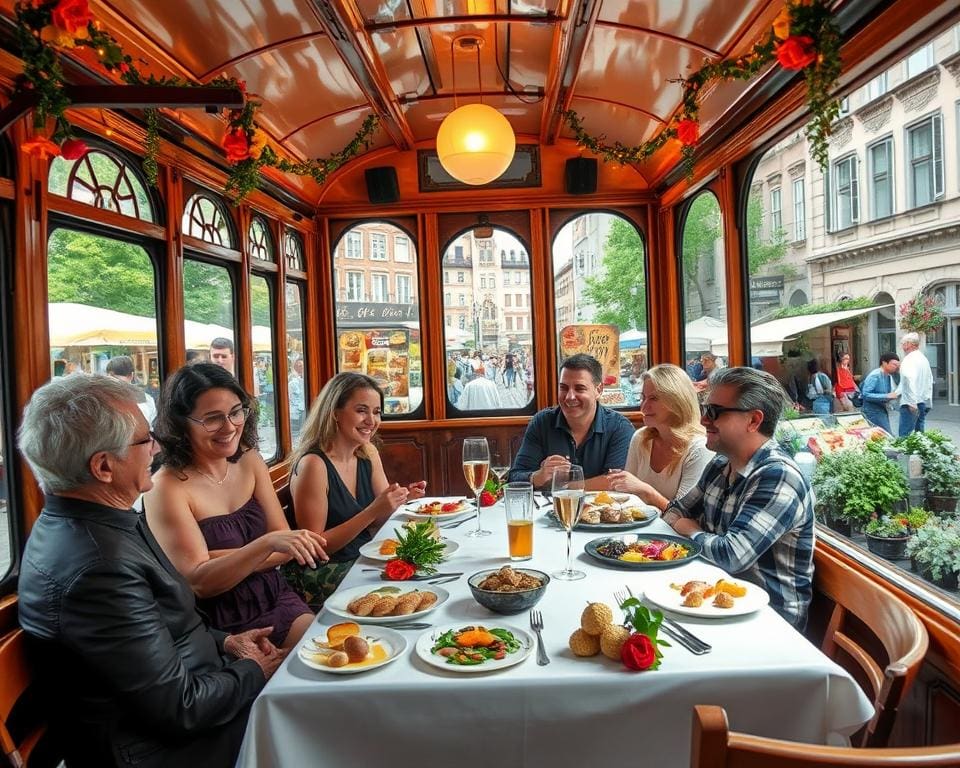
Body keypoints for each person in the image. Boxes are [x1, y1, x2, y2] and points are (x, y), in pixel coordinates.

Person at [16, 374, 283, 768]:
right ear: (104, 466)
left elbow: (163, 630)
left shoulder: (98, 522)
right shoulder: (98, 568)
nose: (156, 447)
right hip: (162, 751)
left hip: (200, 694)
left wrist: (228, 643)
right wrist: (253, 669)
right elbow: (181, 710)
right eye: (144, 440)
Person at [144, 363, 327, 651]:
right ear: (181, 423)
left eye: (235, 412)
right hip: (219, 623)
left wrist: (216, 558)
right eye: (212, 418)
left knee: (333, 660)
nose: (229, 427)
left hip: (275, 595)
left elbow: (285, 550)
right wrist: (266, 544)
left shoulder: (249, 460)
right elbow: (200, 583)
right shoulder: (166, 487)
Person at [663, 367, 815, 628]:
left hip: (768, 622)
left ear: (754, 421)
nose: (703, 420)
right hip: (714, 602)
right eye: (704, 409)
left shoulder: (778, 476)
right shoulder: (720, 464)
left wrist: (689, 529)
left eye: (714, 412)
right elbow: (673, 512)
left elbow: (731, 556)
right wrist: (685, 524)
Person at [284, 372, 426, 607]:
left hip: (361, 560)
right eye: (361, 410)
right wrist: (373, 510)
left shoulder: (367, 451)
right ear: (335, 414)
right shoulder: (314, 465)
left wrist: (401, 499)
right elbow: (315, 547)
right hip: (322, 573)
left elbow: (381, 518)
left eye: (377, 412)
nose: (371, 421)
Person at [511, 353, 634, 491]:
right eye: (563, 388)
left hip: (602, 511)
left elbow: (616, 481)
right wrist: (538, 477)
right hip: (548, 511)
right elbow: (515, 477)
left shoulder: (619, 427)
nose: (569, 396)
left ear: (598, 390)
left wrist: (562, 487)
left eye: (579, 388)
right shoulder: (542, 422)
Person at [606, 364, 714, 512]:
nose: (643, 407)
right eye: (642, 398)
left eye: (653, 398)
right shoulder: (641, 437)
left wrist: (647, 492)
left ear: (677, 401)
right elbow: (626, 497)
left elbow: (685, 515)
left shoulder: (700, 449)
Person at [897, 332, 933, 436]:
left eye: (903, 344)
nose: (902, 347)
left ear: (909, 344)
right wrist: (928, 401)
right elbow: (929, 380)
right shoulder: (923, 359)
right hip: (922, 400)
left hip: (911, 403)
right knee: (919, 436)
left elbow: (909, 380)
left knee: (905, 435)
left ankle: (904, 453)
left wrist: (911, 402)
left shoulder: (909, 359)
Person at [106, 354, 157, 424]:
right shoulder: (147, 399)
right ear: (131, 375)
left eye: (116, 379)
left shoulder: (103, 398)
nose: (115, 383)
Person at [860, 353, 900, 433]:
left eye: (897, 365)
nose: (896, 367)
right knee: (886, 435)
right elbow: (865, 394)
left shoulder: (888, 375)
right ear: (884, 363)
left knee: (881, 436)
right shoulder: (875, 375)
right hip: (872, 411)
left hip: (881, 409)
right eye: (894, 364)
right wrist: (886, 396)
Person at [288, 359, 306, 436]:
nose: (300, 368)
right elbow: (290, 395)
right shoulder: (293, 380)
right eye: (298, 366)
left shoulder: (304, 379)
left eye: (301, 366)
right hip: (299, 407)